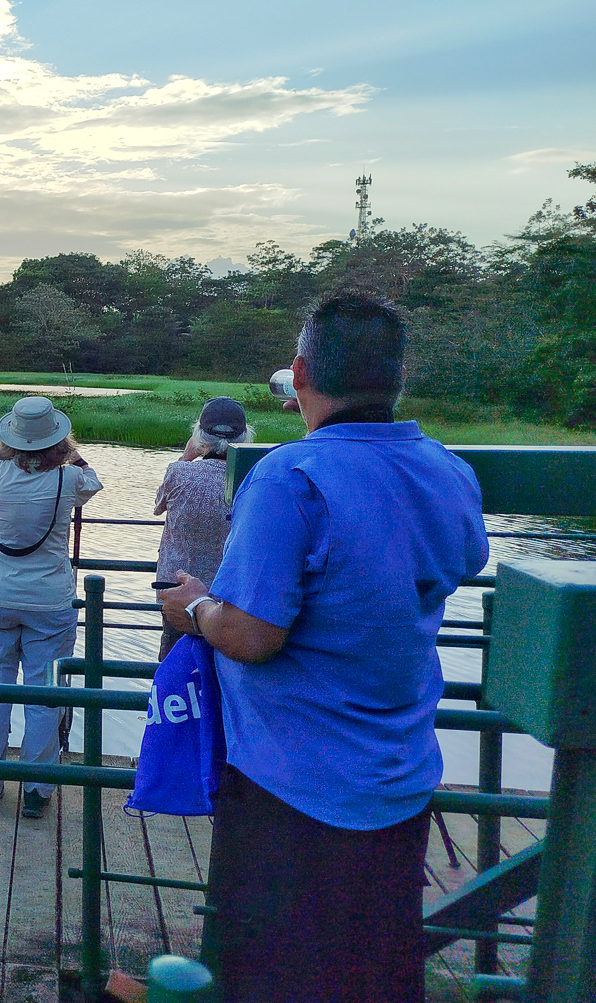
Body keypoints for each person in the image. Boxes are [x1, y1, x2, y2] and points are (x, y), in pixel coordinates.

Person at [160, 293, 489, 1003]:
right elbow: (459, 563)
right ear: (398, 380)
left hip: (291, 786)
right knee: (373, 972)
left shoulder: (288, 475)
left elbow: (252, 635)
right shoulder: (449, 470)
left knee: (273, 977)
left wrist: (194, 605)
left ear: (302, 372)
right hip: (400, 774)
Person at [0, 396, 102, 819]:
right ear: (57, 441)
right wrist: (71, 453)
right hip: (49, 601)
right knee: (44, 695)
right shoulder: (68, 482)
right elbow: (93, 480)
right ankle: (37, 790)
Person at [153, 396, 254, 661]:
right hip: (231, 595)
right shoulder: (254, 477)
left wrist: (187, 455)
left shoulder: (179, 472)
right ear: (245, 436)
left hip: (177, 590)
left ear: (199, 435)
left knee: (176, 669)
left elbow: (158, 506)